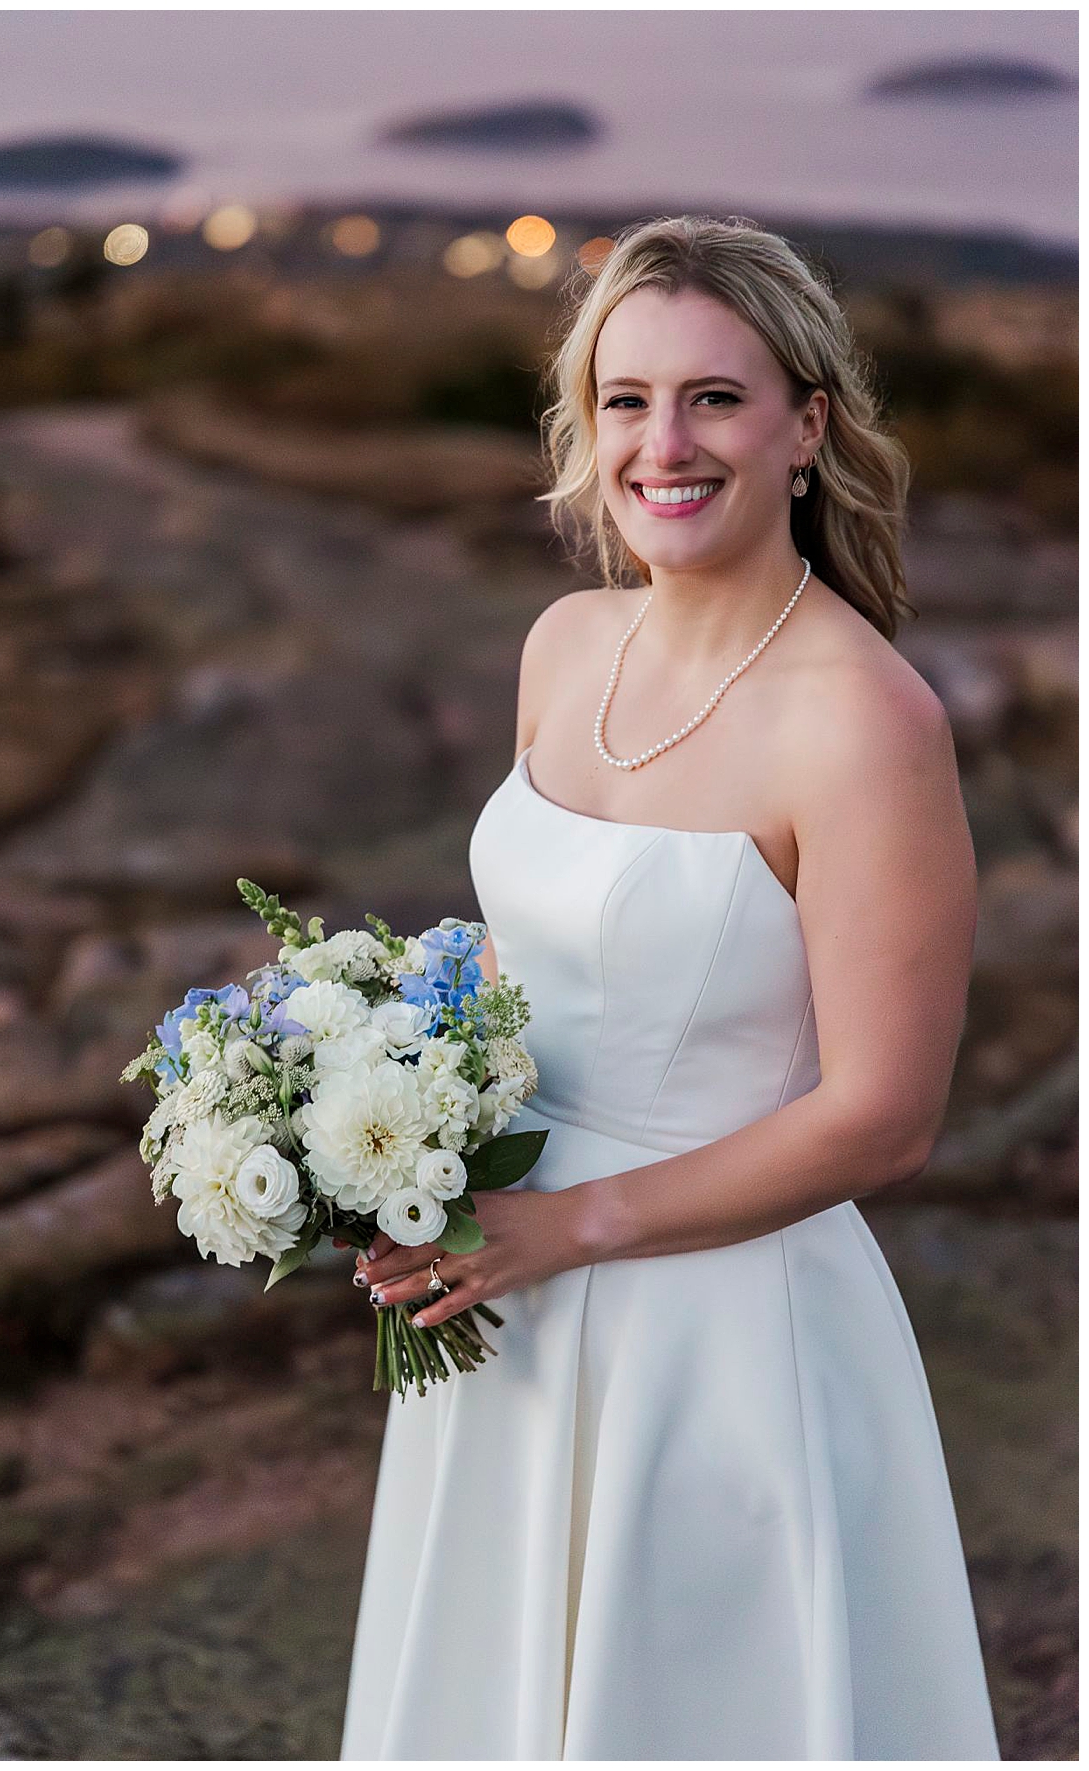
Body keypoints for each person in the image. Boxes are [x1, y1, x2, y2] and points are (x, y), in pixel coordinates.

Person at [341, 216, 997, 1759]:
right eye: (626, 400)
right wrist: (392, 1137)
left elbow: (887, 1115)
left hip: (717, 1326)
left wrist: (576, 1226)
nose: (665, 442)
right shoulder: (567, 644)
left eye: (715, 396)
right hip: (500, 1297)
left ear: (806, 427)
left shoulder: (865, 721)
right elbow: (514, 977)